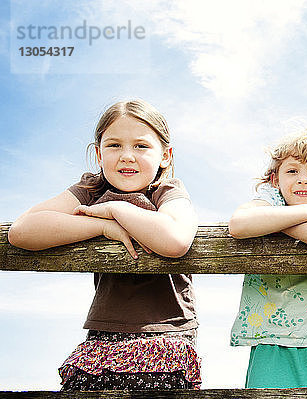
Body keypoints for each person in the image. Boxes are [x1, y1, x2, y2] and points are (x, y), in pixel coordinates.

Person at [8, 99, 201, 390]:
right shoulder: (92, 189)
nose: (126, 156)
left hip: (166, 332)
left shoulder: (167, 190)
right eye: (114, 146)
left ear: (165, 156)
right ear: (98, 154)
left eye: (141, 146)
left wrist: (115, 210)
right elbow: (22, 230)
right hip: (103, 333)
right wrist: (100, 226)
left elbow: (175, 240)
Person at [228, 128, 307, 388]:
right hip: (270, 337)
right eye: (292, 171)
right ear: (275, 180)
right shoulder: (270, 201)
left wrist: (277, 223)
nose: (302, 179)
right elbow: (239, 224)